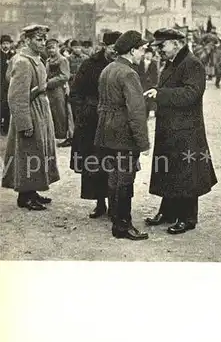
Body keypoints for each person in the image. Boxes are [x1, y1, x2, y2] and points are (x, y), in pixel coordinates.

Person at [144, 28, 217, 235]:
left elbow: (191, 94)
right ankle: (167, 212)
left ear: (176, 43)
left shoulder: (192, 63)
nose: (159, 50)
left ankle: (188, 218)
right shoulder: (172, 62)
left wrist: (161, 94)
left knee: (186, 174)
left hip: (186, 130)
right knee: (169, 170)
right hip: (170, 128)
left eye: (162, 45)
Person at [94, 30, 150, 241]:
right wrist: (142, 141)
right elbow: (136, 111)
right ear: (132, 50)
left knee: (114, 177)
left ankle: (117, 220)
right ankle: (123, 225)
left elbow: (102, 103)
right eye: (142, 49)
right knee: (125, 179)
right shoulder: (129, 73)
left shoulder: (108, 69)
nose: (143, 54)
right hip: (124, 133)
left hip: (107, 131)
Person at [2, 24, 60, 210]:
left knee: (37, 152)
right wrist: (24, 123)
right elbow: (16, 96)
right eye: (38, 39)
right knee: (27, 154)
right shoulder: (23, 62)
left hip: (39, 110)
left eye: (44, 39)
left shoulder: (35, 58)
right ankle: (25, 196)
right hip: (29, 112)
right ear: (27, 40)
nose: (43, 43)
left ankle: (32, 191)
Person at [69, 31, 122, 219]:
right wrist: (84, 112)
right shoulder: (89, 65)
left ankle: (115, 204)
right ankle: (100, 203)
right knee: (95, 164)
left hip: (115, 122)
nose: (116, 52)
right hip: (92, 122)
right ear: (104, 46)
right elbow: (74, 93)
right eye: (113, 48)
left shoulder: (123, 65)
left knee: (115, 163)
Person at [45, 38, 71, 145]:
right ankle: (53, 136)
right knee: (50, 112)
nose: (51, 50)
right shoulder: (47, 60)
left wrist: (49, 82)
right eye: (49, 48)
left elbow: (65, 76)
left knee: (60, 112)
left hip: (58, 90)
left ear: (58, 48)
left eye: (53, 48)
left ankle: (61, 136)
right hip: (48, 91)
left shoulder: (62, 60)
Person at [137, 46, 159, 118]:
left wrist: (154, 83)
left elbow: (155, 74)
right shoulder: (140, 62)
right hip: (141, 84)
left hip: (150, 85)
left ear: (152, 55)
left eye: (150, 54)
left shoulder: (154, 63)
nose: (148, 55)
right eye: (147, 53)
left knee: (149, 100)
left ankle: (149, 112)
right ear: (144, 54)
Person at [0, 34, 15, 135]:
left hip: (10, 85)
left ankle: (6, 129)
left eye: (7, 43)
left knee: (8, 106)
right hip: (0, 85)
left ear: (10, 45)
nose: (6, 46)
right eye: (4, 44)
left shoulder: (14, 56)